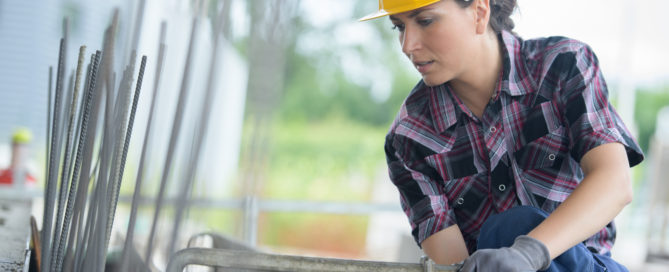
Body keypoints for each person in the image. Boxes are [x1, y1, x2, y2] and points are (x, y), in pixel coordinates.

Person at [360, 0, 644, 271]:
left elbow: (615, 184)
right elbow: (453, 263)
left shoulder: (563, 66)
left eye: (425, 21)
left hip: (582, 265)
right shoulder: (409, 138)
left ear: (479, 12)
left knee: (514, 226)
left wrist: (529, 252)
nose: (408, 45)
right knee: (500, 235)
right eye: (399, 27)